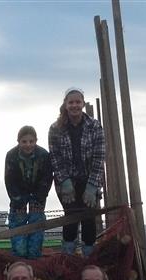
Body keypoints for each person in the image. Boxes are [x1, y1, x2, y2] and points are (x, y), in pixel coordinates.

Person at [48, 87, 106, 256]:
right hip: (66, 181)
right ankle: (68, 255)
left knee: (89, 219)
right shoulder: (55, 128)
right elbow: (55, 157)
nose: (74, 105)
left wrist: (92, 185)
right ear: (65, 105)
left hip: (89, 179)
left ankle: (88, 255)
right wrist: (65, 181)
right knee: (71, 217)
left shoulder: (94, 126)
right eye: (71, 102)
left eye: (77, 102)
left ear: (83, 103)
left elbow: (99, 157)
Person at [3, 125, 52, 258]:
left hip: (37, 200)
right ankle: (19, 261)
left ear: (36, 141)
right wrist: (18, 201)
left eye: (31, 141)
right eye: (24, 141)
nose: (28, 145)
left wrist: (38, 199)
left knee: (35, 243)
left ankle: (34, 262)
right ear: (18, 141)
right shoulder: (11, 155)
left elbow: (47, 178)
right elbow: (9, 180)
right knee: (19, 245)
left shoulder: (44, 155)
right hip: (18, 200)